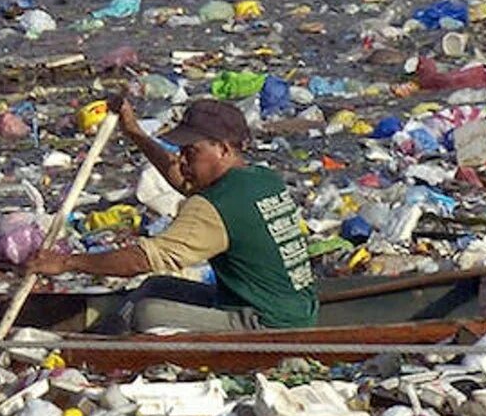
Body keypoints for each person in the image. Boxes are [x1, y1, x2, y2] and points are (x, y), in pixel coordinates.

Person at [26, 97, 318, 333]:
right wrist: (135, 133)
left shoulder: (215, 204)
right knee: (157, 287)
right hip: (291, 306)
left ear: (223, 149)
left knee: (147, 313)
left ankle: (101, 345)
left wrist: (67, 262)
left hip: (265, 323)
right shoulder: (261, 179)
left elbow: (146, 259)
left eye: (190, 152)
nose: (182, 160)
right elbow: (182, 179)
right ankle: (102, 331)